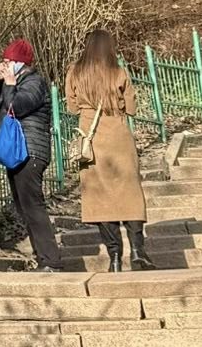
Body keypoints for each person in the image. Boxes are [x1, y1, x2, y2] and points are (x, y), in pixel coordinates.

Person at [65, 28, 152, 272]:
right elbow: (131, 108)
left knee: (100, 198)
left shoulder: (75, 72)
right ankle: (138, 251)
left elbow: (72, 107)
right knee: (130, 193)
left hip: (91, 141)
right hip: (119, 137)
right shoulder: (118, 72)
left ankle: (114, 257)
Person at [0, 38, 63, 272]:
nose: (5, 65)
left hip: (30, 152)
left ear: (21, 63)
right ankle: (44, 258)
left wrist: (9, 84)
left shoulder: (34, 82)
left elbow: (15, 108)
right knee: (24, 207)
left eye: (9, 61)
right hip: (16, 153)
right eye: (4, 61)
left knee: (33, 206)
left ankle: (50, 260)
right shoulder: (13, 82)